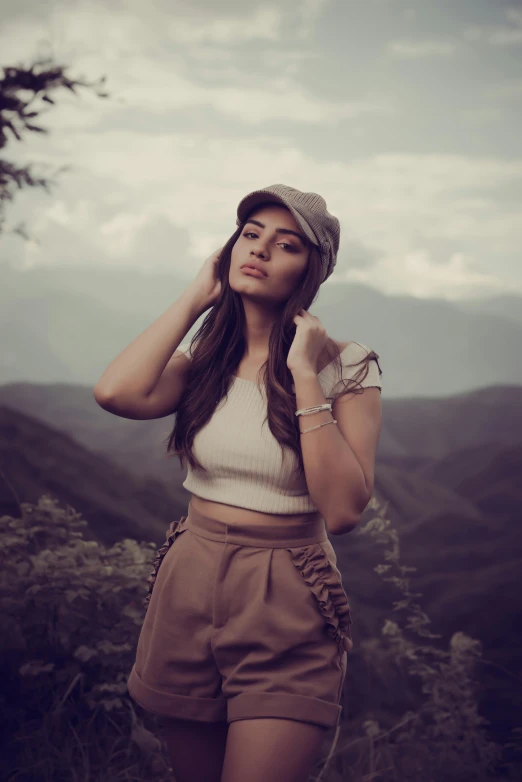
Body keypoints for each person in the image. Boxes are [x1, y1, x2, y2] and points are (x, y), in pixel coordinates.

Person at [94, 184, 383, 782]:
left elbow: (345, 509)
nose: (260, 250)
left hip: (287, 591)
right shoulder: (207, 360)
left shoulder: (346, 365)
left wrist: (303, 374)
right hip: (190, 577)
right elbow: (116, 393)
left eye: (286, 245)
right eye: (250, 235)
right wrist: (195, 298)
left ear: (312, 271)